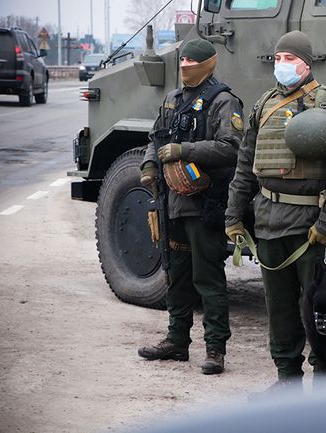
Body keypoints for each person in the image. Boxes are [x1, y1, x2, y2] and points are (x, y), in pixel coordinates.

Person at [224, 31, 326, 392]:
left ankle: (324, 390)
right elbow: (245, 164)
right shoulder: (264, 104)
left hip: (311, 229)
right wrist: (233, 216)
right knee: (280, 310)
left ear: (306, 63)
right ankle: (287, 382)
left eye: (289, 59)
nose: (281, 65)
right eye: (277, 58)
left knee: (324, 311)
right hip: (269, 223)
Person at [138, 38, 244, 375]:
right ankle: (176, 341)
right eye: (182, 62)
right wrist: (149, 165)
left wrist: (184, 150)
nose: (185, 67)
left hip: (206, 205)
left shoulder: (223, 101)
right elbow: (156, 138)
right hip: (173, 204)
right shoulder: (172, 100)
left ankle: (215, 350)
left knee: (208, 278)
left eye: (191, 63)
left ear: (207, 64)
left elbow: (232, 147)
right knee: (176, 275)